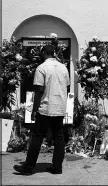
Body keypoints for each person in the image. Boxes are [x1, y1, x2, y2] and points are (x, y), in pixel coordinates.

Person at [13, 45, 70, 175]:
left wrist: (34, 109)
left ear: (44, 53)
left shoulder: (41, 68)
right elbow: (66, 88)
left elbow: (38, 90)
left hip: (45, 107)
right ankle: (57, 167)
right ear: (53, 53)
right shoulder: (63, 68)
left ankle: (28, 167)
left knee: (37, 136)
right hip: (60, 107)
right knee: (58, 137)